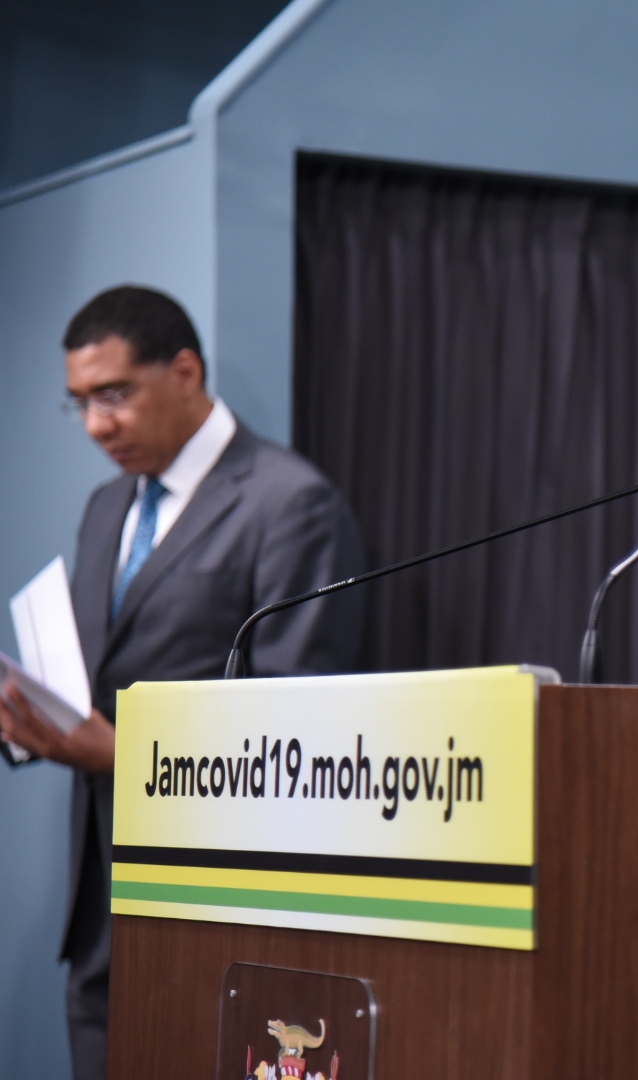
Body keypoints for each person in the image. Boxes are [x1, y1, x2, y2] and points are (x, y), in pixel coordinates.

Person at [0, 285, 365, 1080]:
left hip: (215, 910)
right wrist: (32, 722)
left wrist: (120, 755)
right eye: (80, 403)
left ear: (186, 372)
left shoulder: (290, 502)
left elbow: (303, 735)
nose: (96, 426)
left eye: (113, 395)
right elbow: (99, 683)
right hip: (100, 912)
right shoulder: (106, 507)